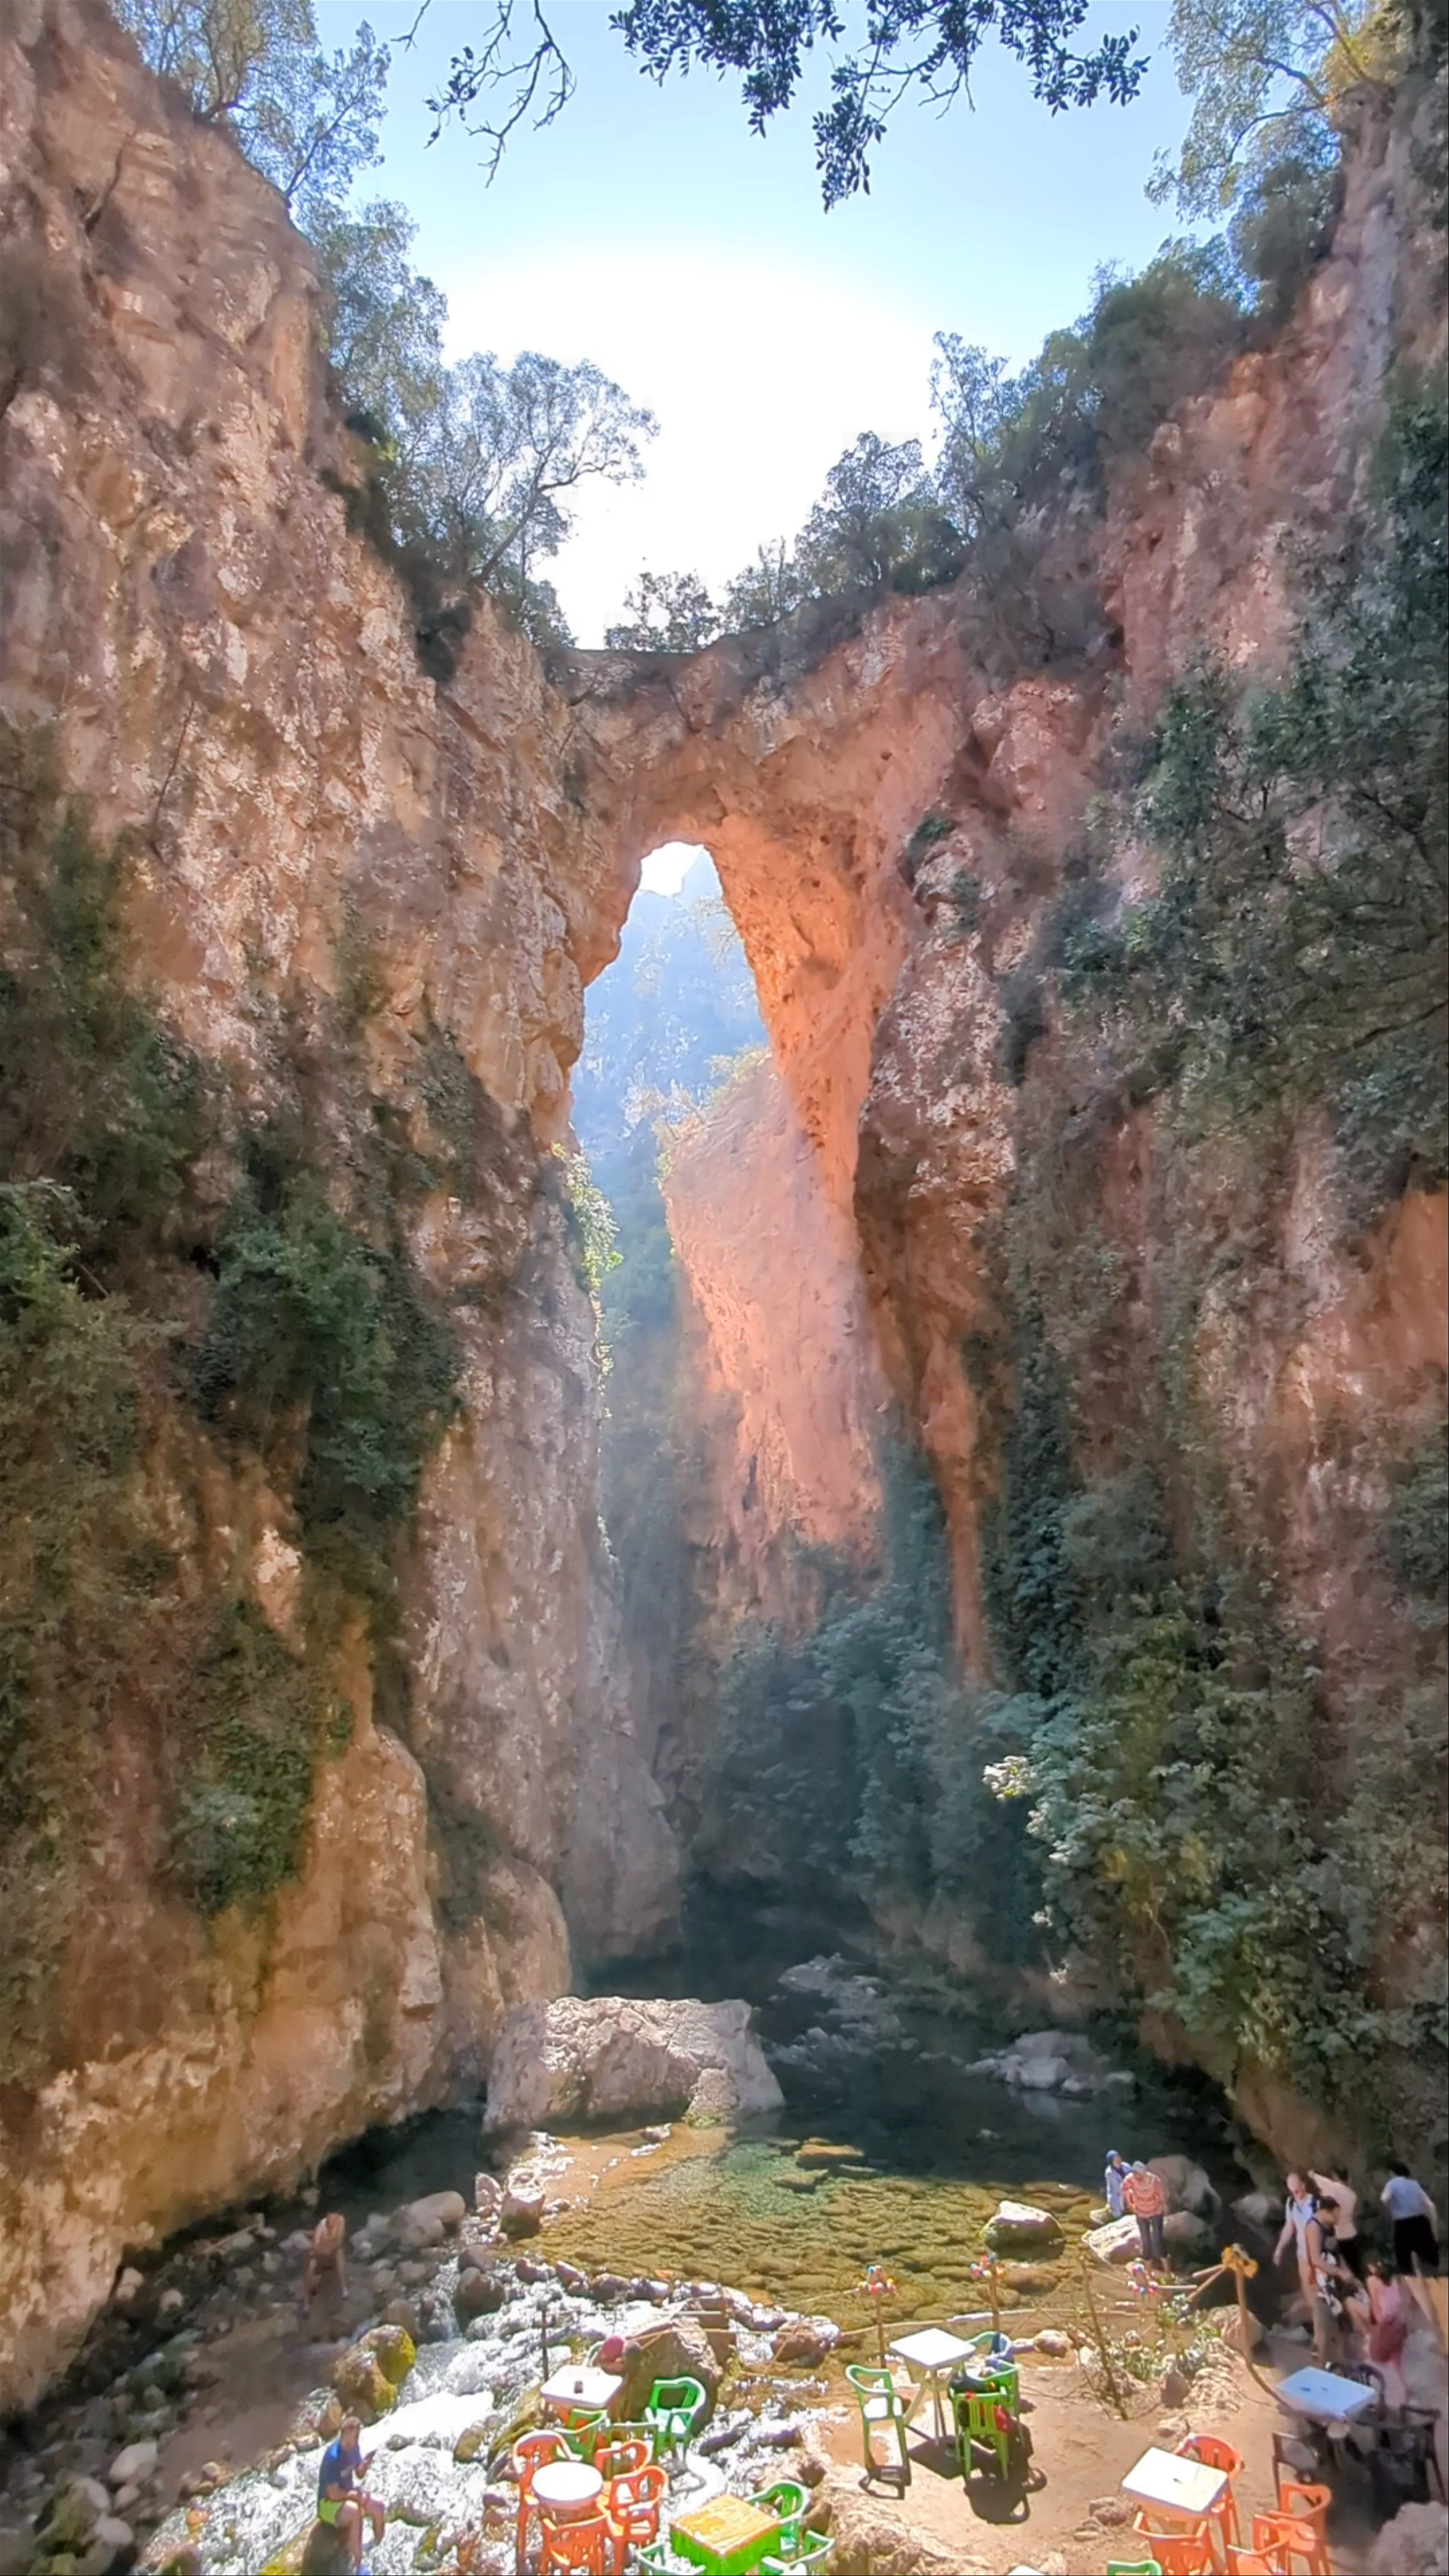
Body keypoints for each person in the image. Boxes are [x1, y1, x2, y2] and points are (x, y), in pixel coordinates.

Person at [317, 2416, 385, 2573]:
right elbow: (333, 2494)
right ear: (345, 2433)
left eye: (359, 2434)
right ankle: (358, 2565)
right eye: (355, 2434)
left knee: (379, 2508)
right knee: (355, 2513)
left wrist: (364, 2466)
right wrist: (355, 2495)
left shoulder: (354, 2449)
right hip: (328, 2504)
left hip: (347, 2495)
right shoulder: (334, 2458)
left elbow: (359, 2473)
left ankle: (378, 2546)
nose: (357, 2438)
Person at [1381, 2162, 1441, 2276]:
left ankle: (1411, 2282)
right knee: (1428, 2258)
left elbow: (1384, 2199)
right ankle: (1434, 2280)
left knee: (1404, 2260)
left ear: (1393, 2173)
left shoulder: (1392, 2184)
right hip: (1421, 2222)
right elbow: (1431, 2206)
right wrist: (1434, 2230)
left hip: (1403, 2224)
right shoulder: (1414, 2184)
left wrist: (1392, 2209)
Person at [1275, 2172, 1319, 2308]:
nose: (1297, 2195)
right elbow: (1290, 2227)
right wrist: (1279, 2249)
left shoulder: (1315, 2204)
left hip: (1317, 2255)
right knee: (1309, 2290)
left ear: (1304, 2185)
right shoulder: (1291, 2203)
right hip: (1303, 2256)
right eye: (1293, 2192)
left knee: (1321, 2291)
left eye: (1298, 2191)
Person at [1312, 2167, 1363, 2277]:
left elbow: (1316, 2178)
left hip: (1340, 2235)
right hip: (1352, 2232)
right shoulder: (1352, 2195)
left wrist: (1312, 2175)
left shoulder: (1334, 2189)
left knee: (1346, 2268)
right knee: (1359, 2267)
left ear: (1335, 2176)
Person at [304, 2212, 349, 2333]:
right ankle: (307, 2302)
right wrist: (328, 2247)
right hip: (321, 2254)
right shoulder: (321, 2227)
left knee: (339, 2256)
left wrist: (331, 2246)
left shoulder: (341, 2221)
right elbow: (317, 2247)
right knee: (311, 2270)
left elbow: (339, 2240)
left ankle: (343, 2286)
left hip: (333, 2251)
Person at [1123, 2159, 1167, 2267]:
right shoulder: (1130, 2179)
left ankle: (1167, 2270)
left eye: (1139, 2174)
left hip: (1156, 2211)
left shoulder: (1154, 2180)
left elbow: (1161, 2194)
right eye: (1135, 2174)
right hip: (1141, 2212)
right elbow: (1125, 2190)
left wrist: (1163, 2205)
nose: (1137, 2176)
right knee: (1146, 2241)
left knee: (1158, 2240)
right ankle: (1149, 2272)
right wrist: (1130, 2203)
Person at [1104, 2149, 1129, 2222]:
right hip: (1117, 2193)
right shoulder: (1110, 2173)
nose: (1118, 2160)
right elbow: (1116, 2190)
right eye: (1116, 2159)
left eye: (1119, 2157)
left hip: (1128, 2190)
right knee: (1118, 2214)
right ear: (1111, 2162)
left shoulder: (1126, 2166)